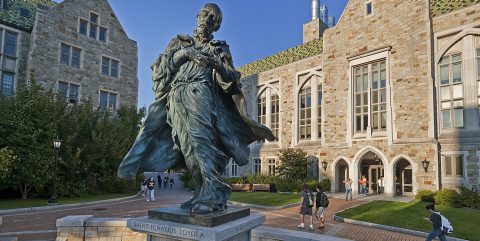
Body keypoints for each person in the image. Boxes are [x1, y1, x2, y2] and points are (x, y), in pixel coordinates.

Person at [116, 3, 275, 213]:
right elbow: (160, 70)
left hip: (200, 95)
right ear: (197, 16)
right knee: (187, 148)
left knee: (201, 142)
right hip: (175, 99)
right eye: (206, 14)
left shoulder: (219, 48)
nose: (208, 19)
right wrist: (185, 54)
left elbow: (231, 80)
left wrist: (217, 65)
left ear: (216, 26)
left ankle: (215, 192)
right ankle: (201, 192)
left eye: (214, 18)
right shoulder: (179, 43)